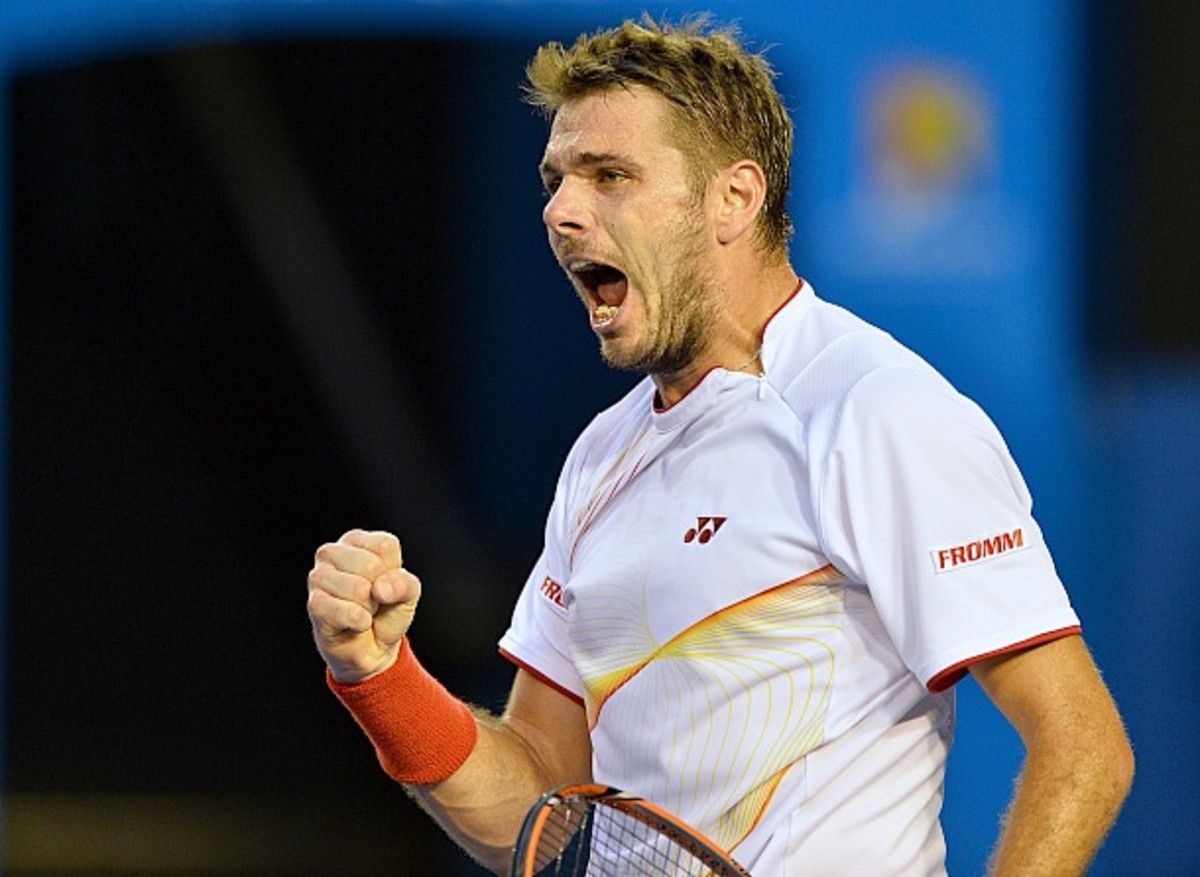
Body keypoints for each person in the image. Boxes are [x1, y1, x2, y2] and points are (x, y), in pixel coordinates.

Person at [306, 16, 1133, 876]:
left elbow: (1082, 748)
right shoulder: (600, 455)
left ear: (734, 198)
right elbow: (537, 799)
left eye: (610, 175)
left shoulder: (877, 410)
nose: (560, 210)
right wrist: (378, 674)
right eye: (555, 179)